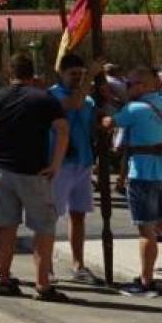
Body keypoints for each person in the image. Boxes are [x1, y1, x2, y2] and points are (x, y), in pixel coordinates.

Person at [0, 52, 68, 302]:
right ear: (32, 73)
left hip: (3, 171)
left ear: (10, 73)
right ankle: (42, 283)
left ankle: (4, 278)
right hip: (35, 173)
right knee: (43, 228)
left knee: (7, 226)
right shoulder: (44, 99)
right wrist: (56, 164)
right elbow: (62, 130)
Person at [106, 66, 162, 295]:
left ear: (143, 86)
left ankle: (146, 281)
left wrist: (103, 111)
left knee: (146, 230)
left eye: (130, 84)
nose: (127, 88)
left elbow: (110, 123)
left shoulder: (134, 109)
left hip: (142, 173)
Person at [50, 54, 99, 284]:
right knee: (51, 215)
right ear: (61, 73)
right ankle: (46, 265)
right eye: (74, 74)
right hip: (61, 164)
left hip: (83, 161)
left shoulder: (88, 100)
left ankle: (78, 264)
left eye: (81, 74)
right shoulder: (53, 96)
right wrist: (90, 75)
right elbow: (74, 103)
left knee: (78, 214)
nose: (78, 78)